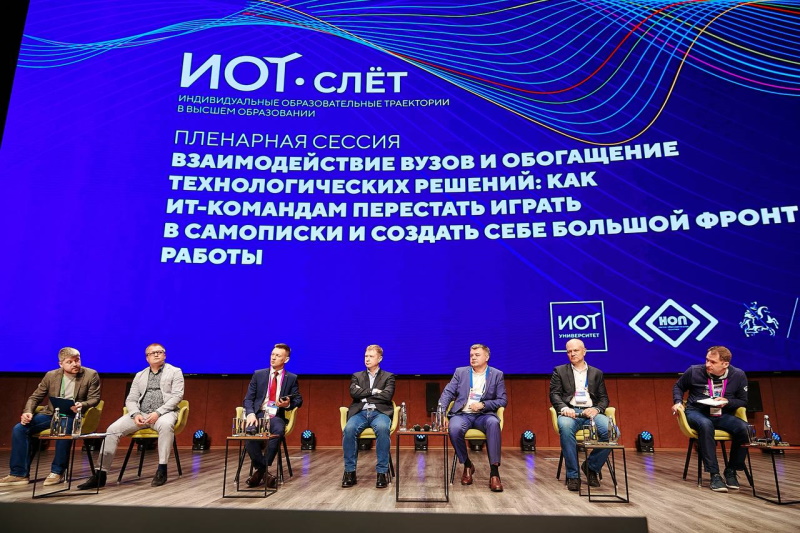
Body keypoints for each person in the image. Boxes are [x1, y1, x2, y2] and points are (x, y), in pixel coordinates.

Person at [78, 343, 184, 489]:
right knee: (112, 430)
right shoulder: (140, 375)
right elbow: (131, 399)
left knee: (166, 425)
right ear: (147, 358)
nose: (156, 354)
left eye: (160, 352)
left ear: (164, 355)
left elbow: (177, 396)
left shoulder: (175, 372)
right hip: (141, 413)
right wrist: (135, 414)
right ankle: (100, 474)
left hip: (163, 413)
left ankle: (162, 469)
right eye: (152, 353)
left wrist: (158, 412)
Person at [0, 347, 101, 487]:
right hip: (52, 414)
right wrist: (28, 412)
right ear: (61, 364)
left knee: (63, 427)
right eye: (70, 362)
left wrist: (82, 405)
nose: (75, 364)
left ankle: (57, 471)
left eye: (77, 360)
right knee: (20, 429)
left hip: (74, 415)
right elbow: (35, 397)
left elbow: (95, 398)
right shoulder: (51, 375)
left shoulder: (91, 374)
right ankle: (19, 474)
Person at [672, 345, 748, 492]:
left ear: (725, 364)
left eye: (713, 362)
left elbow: (743, 401)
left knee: (745, 429)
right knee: (706, 425)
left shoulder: (738, 375)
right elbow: (678, 386)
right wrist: (678, 402)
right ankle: (715, 474)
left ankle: (731, 470)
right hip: (696, 412)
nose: (708, 364)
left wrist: (728, 402)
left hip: (722, 414)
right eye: (707, 360)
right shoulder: (694, 371)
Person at [439, 343, 507, 492]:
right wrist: (441, 413)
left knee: (493, 423)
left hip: (485, 415)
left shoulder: (497, 374)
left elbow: (502, 400)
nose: (473, 358)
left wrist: (483, 405)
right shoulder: (460, 372)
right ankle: (467, 465)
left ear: (486, 357)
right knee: (454, 428)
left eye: (477, 355)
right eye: (471, 355)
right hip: (463, 414)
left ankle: (494, 473)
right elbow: (447, 393)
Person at [550, 338, 612, 492]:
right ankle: (573, 475)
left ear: (584, 351)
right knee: (565, 427)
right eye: (569, 351)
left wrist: (596, 409)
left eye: (576, 350)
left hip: (591, 413)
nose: (572, 354)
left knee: (612, 433)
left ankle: (591, 467)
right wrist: (564, 408)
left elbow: (604, 398)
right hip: (570, 412)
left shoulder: (596, 373)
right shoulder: (559, 371)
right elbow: (554, 395)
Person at [242, 343, 302, 489]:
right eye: (272, 354)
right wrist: (250, 414)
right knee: (249, 433)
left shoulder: (291, 378)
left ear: (286, 359)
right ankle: (264, 471)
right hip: (258, 414)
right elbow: (248, 399)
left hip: (276, 415)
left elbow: (298, 400)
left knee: (278, 431)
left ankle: (260, 472)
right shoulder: (259, 375)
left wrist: (287, 404)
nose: (273, 358)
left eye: (278, 355)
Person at [342, 344, 396, 489]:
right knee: (349, 430)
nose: (367, 359)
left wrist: (364, 394)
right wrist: (374, 391)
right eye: (366, 356)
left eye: (371, 356)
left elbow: (387, 396)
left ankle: (382, 473)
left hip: (380, 413)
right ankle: (349, 472)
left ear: (380, 359)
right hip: (360, 412)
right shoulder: (357, 376)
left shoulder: (389, 377)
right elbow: (354, 393)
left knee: (383, 429)